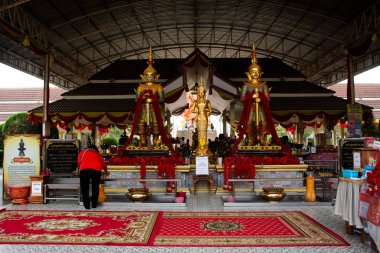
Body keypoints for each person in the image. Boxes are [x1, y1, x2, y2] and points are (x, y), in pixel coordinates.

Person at [240, 44, 270, 145]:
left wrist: (261, 98)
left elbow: (268, 99)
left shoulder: (263, 85)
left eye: (257, 71)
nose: (255, 73)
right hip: (251, 108)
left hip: (260, 107)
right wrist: (251, 97)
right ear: (249, 73)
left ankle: (262, 138)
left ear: (260, 72)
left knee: (264, 123)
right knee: (249, 123)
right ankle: (250, 139)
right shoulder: (246, 86)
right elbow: (242, 98)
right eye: (253, 71)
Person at [136, 47, 164, 147]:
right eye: (147, 76)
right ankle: (142, 140)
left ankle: (156, 140)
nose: (149, 78)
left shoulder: (158, 86)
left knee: (156, 126)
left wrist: (152, 98)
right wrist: (143, 98)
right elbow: (136, 100)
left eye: (151, 76)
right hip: (144, 109)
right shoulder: (141, 87)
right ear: (143, 77)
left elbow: (162, 99)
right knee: (142, 124)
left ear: (156, 77)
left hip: (154, 108)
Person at [77, 144, 109, 209]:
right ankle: (94, 205)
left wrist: (83, 165)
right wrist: (106, 171)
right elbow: (103, 163)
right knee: (95, 187)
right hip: (96, 170)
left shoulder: (82, 152)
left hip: (84, 169)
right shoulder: (97, 153)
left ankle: (87, 205)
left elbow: (79, 161)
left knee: (84, 187)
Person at [191, 78, 212, 156]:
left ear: (204, 92)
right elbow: (192, 110)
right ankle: (200, 147)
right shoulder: (196, 101)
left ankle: (204, 147)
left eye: (202, 92)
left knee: (204, 132)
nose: (201, 93)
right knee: (199, 132)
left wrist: (207, 113)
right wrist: (197, 112)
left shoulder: (207, 101)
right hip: (199, 118)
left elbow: (210, 110)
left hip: (205, 118)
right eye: (200, 92)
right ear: (198, 92)